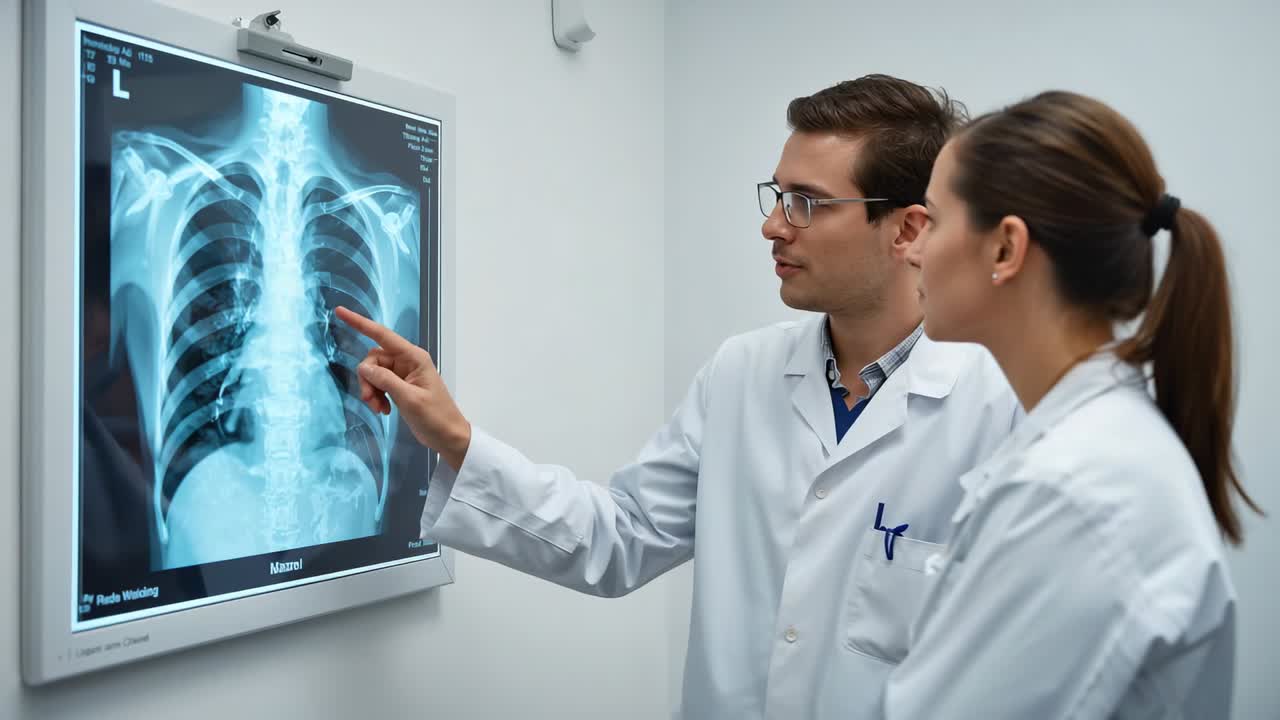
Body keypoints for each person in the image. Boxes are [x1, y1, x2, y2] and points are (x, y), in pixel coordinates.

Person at [337, 74, 1020, 720]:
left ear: (907, 230)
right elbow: (620, 537)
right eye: (776, 194)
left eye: (806, 203)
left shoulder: (999, 405)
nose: (774, 226)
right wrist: (455, 436)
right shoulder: (742, 372)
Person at [886, 90, 1262, 718]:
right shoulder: (1089, 452)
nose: (915, 248)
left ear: (1006, 249)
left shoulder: (1072, 489)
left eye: (938, 219)